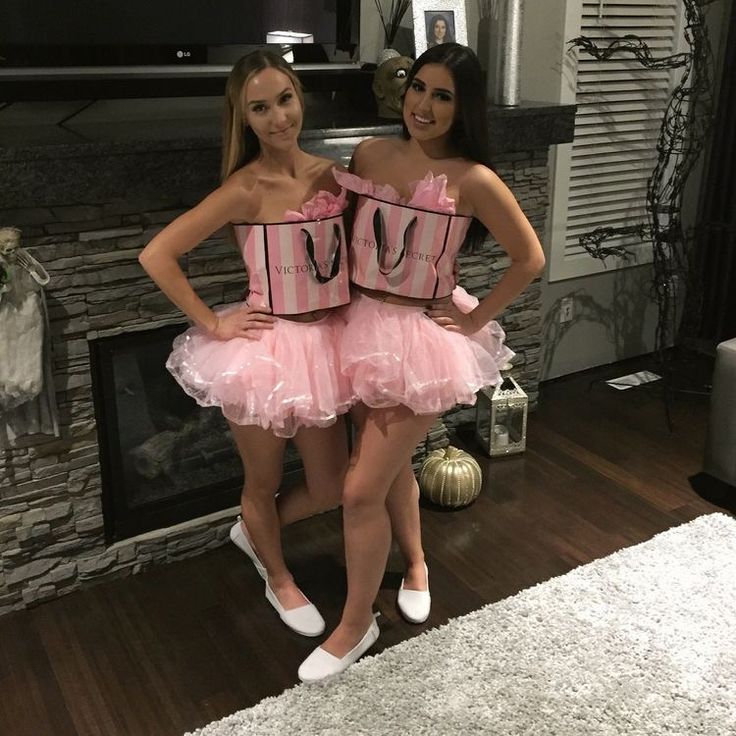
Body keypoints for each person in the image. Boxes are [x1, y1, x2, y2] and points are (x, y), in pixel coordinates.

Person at [138, 50, 429, 640]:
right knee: (262, 481)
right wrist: (214, 324)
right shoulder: (245, 188)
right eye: (260, 108)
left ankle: (255, 530)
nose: (277, 118)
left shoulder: (333, 174)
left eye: (285, 100)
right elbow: (158, 255)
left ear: (301, 97)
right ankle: (276, 574)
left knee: (329, 487)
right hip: (266, 352)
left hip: (326, 346)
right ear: (243, 118)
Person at [298, 43, 546, 682]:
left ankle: (355, 625)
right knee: (387, 472)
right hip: (355, 324)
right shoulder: (370, 155)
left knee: (358, 489)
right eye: (417, 87)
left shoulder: (473, 178)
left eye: (443, 95)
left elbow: (529, 259)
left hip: (420, 338)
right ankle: (414, 563)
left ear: (463, 108)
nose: (424, 105)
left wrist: (473, 319)